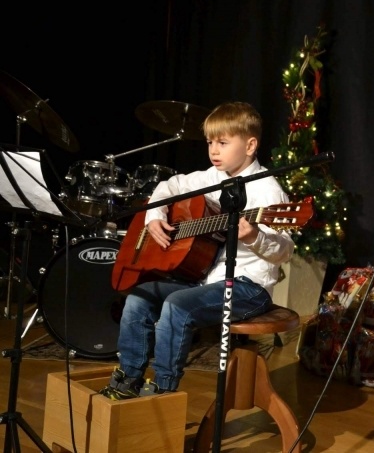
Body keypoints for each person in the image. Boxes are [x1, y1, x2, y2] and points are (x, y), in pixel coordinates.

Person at [101, 101, 295, 399]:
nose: (213, 151)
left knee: (177, 305)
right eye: (209, 143)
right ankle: (128, 378)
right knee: (139, 298)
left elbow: (285, 251)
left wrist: (255, 237)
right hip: (207, 279)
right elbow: (169, 186)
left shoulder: (268, 190)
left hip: (249, 287)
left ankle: (163, 388)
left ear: (250, 145)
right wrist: (155, 217)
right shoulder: (212, 177)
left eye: (222, 143)